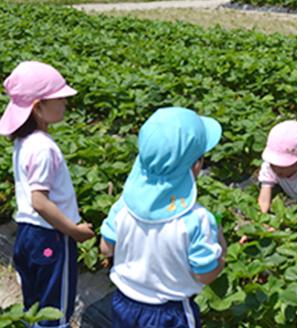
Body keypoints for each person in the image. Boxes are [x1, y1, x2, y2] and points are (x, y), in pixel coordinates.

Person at [100, 107, 226, 328]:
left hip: (123, 303)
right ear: (196, 165)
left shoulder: (123, 205)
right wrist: (221, 253)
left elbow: (106, 248)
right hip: (171, 313)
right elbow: (204, 275)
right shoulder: (196, 219)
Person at [0, 61, 95, 327]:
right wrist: (73, 231)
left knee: (35, 306)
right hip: (51, 235)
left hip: (28, 234)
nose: (65, 102)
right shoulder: (43, 148)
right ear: (38, 107)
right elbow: (39, 201)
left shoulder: (24, 142)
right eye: (59, 98)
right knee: (55, 312)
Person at [258, 120, 297, 213]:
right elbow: (264, 196)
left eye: (283, 165)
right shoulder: (270, 165)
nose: (277, 169)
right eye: (274, 164)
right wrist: (263, 218)